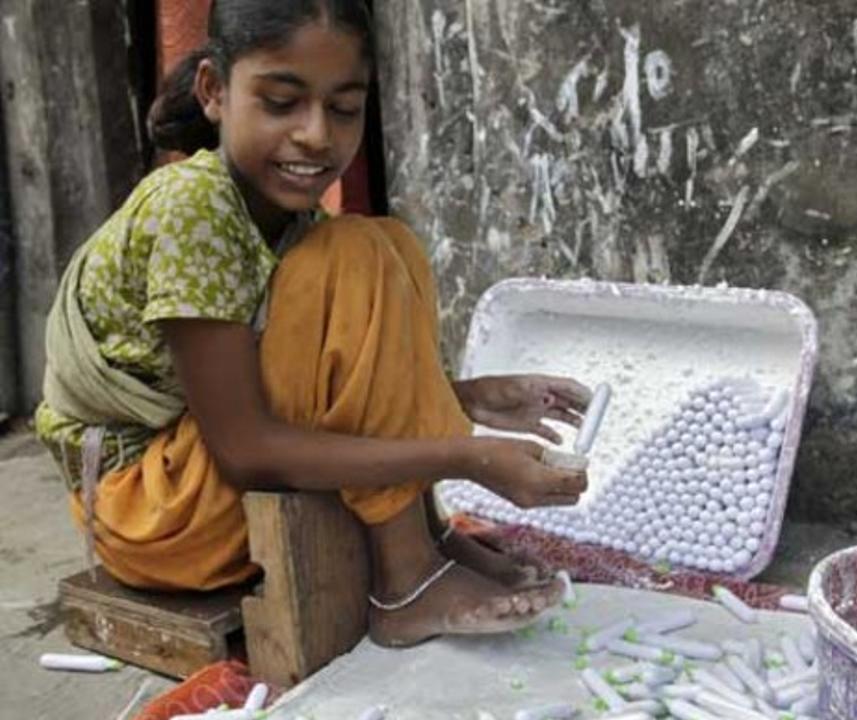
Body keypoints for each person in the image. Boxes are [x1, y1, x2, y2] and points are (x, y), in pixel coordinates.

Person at [35, 0, 590, 648]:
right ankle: (405, 580)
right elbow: (246, 450)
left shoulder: (293, 219)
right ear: (214, 90)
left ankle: (428, 538)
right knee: (355, 251)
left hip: (203, 483)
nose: (317, 135)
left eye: (344, 108)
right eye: (281, 103)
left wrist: (467, 397)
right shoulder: (193, 205)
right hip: (151, 517)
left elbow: (321, 376)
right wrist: (471, 456)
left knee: (388, 243)